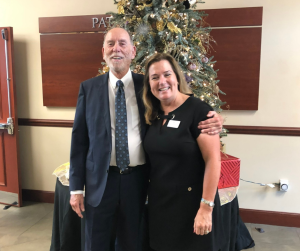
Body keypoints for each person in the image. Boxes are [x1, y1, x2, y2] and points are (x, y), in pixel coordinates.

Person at [69, 28, 223, 251]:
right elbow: (79, 141)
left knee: (133, 242)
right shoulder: (88, 88)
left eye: (122, 43)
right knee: (95, 243)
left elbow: (182, 106)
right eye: (110, 44)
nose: (116, 48)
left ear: (133, 51)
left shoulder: (149, 85)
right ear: (103, 52)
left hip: (138, 181)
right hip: (100, 183)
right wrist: (76, 189)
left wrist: (215, 118)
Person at [143, 53, 225, 251]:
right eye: (155, 77)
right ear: (149, 84)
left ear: (177, 77)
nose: (162, 82)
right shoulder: (151, 114)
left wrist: (206, 208)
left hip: (192, 206)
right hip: (160, 206)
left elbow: (213, 159)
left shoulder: (199, 111)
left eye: (167, 74)